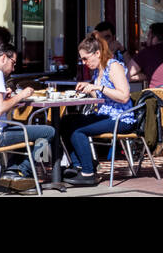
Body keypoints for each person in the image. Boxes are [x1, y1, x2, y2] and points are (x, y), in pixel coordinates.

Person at [0, 43, 55, 191]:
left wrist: (7, 99)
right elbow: (0, 109)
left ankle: (13, 170)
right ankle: (20, 171)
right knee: (48, 132)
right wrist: (21, 95)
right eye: (13, 63)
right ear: (4, 58)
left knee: (23, 132)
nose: (13, 69)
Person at [57, 34, 134, 187]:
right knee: (65, 122)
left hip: (121, 118)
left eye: (86, 58)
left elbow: (124, 96)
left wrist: (99, 87)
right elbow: (101, 96)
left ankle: (88, 173)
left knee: (78, 130)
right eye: (82, 59)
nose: (84, 63)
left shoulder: (113, 66)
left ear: (97, 53)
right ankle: (79, 164)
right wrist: (88, 88)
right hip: (104, 114)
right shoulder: (98, 70)